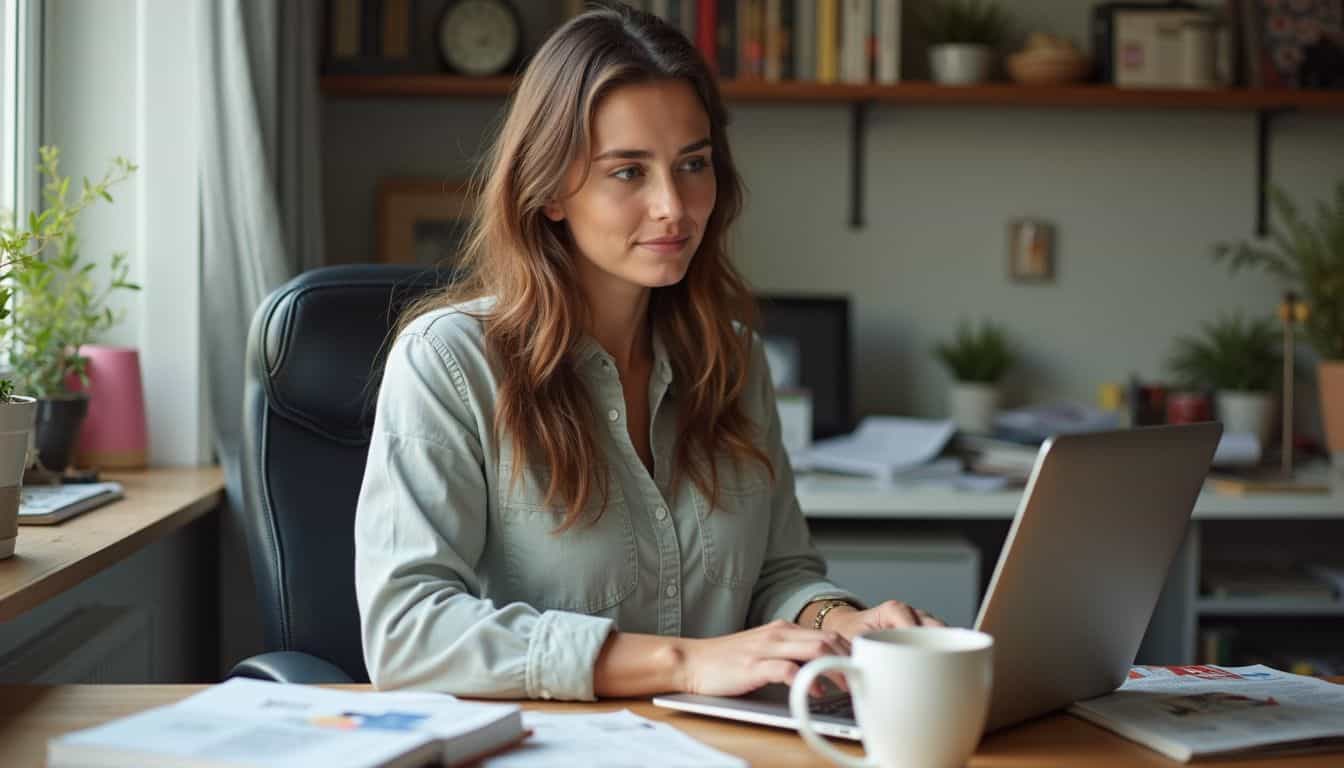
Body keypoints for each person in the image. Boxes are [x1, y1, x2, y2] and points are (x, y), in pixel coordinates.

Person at [354, 3, 943, 703]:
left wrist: (839, 622)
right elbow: (406, 631)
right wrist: (685, 663)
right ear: (549, 191)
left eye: (692, 164)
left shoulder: (734, 363)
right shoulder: (449, 363)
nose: (674, 205)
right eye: (628, 172)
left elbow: (776, 576)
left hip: (723, 747)